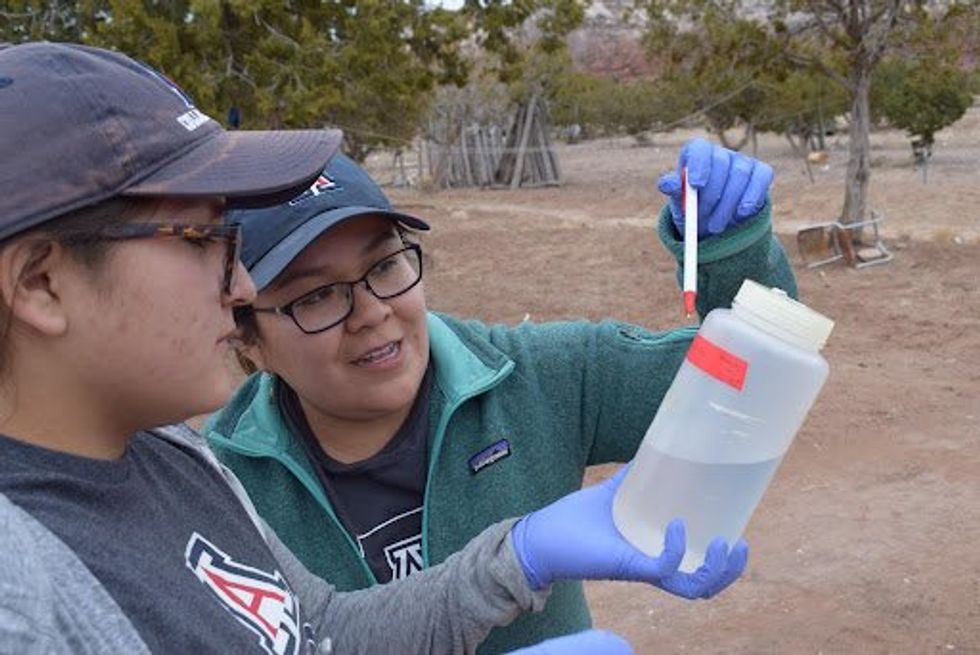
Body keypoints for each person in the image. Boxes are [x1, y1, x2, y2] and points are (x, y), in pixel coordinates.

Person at [0, 41, 745, 655]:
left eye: (385, 266)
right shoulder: (24, 596)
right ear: (40, 283)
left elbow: (318, 632)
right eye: (201, 239)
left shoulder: (173, 457)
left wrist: (519, 554)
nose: (239, 285)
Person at [206, 138, 793, 653]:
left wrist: (732, 252)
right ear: (246, 337)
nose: (373, 312)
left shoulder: (536, 376)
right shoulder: (215, 489)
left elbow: (749, 383)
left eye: (384, 266)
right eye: (315, 297)